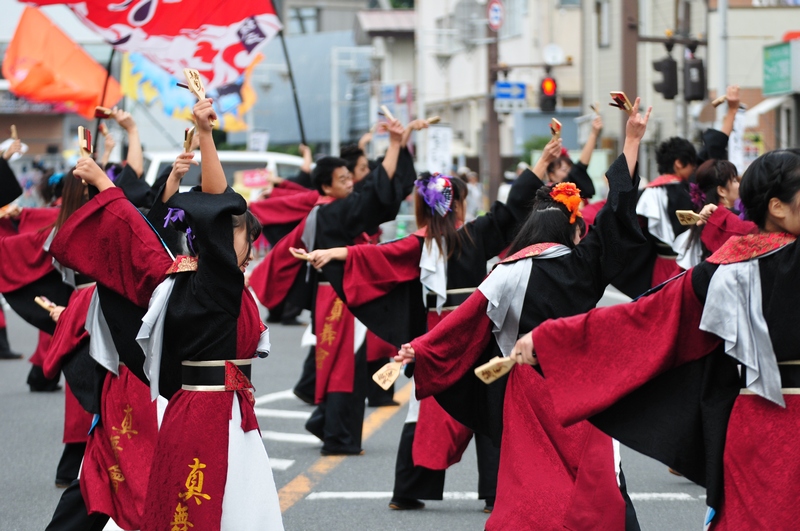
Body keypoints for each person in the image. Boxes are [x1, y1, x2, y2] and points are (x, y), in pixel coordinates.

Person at [393, 98, 652, 529]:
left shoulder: (507, 271)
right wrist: (632, 139)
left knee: (530, 480)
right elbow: (616, 216)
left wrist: (420, 351)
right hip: (579, 385)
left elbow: (464, 323)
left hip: (526, 389)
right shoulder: (584, 262)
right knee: (599, 478)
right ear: (572, 228)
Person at [519, 147, 800, 530]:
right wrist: (553, 339)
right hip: (765, 429)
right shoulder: (730, 270)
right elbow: (645, 319)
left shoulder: (730, 266)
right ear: (777, 207)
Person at [51, 97, 283, 530]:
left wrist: (107, 186)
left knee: (230, 513)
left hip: (219, 415)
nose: (240, 237)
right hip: (206, 418)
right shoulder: (211, 283)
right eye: (233, 228)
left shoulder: (183, 279)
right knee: (209, 515)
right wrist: (208, 137)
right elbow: (159, 229)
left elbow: (141, 243)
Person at [304, 137, 548, 511]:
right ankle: (494, 494)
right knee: (488, 404)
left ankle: (408, 490)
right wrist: (539, 166)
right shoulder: (475, 235)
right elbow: (510, 210)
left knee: (427, 408)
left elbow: (372, 258)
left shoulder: (420, 244)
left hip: (435, 336)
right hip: (476, 333)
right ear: (457, 205)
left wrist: (332, 253)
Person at [613, 86, 741, 298]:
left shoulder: (644, 194)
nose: (695, 169)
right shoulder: (691, 188)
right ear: (680, 163)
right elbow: (713, 150)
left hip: (657, 268)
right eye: (692, 165)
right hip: (689, 268)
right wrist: (732, 111)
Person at [543, 115, 602, 200]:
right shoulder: (545, 196)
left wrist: (594, 133)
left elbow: (580, 167)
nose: (569, 172)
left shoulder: (573, 188)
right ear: (551, 175)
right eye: (564, 170)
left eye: (569, 169)